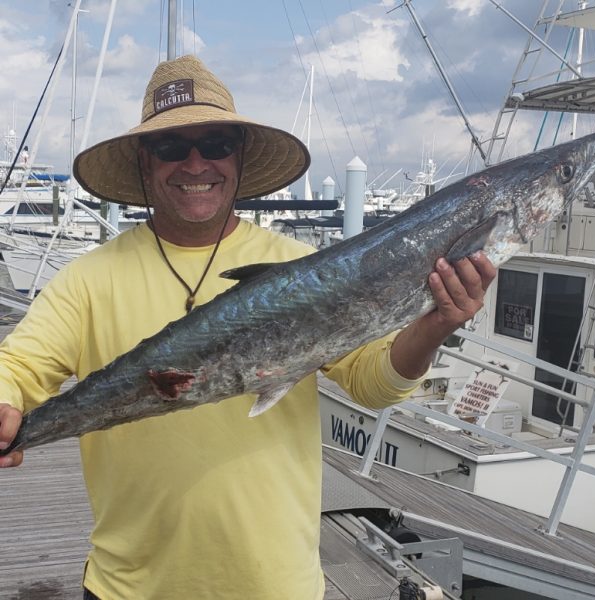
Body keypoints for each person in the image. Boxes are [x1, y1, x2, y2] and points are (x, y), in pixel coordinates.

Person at [0, 55, 496, 599]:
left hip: (275, 584)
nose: (195, 164)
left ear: (237, 157)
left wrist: (436, 325)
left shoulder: (302, 265)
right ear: (145, 162)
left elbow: (371, 384)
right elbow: (19, 365)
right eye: (171, 148)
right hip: (131, 587)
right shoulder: (88, 279)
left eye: (214, 144)